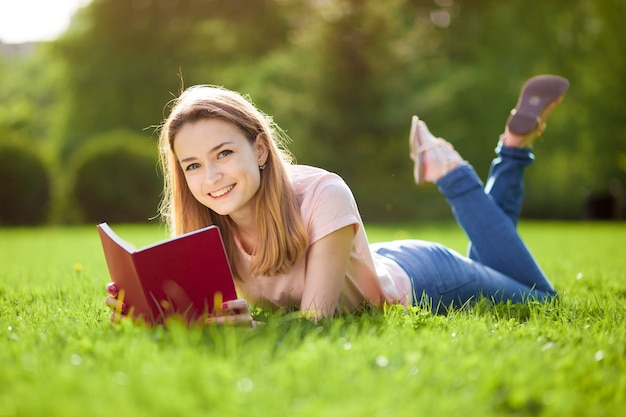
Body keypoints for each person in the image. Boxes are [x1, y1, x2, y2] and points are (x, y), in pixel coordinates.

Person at [105, 74, 569, 325]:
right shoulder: (207, 227)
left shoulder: (323, 193)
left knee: (540, 299)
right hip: (360, 261)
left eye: (223, 153)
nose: (211, 177)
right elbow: (208, 315)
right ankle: (514, 145)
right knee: (500, 265)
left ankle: (451, 173)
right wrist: (156, 310)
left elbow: (314, 320)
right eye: (192, 165)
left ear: (260, 149)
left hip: (425, 279)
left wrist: (254, 329)